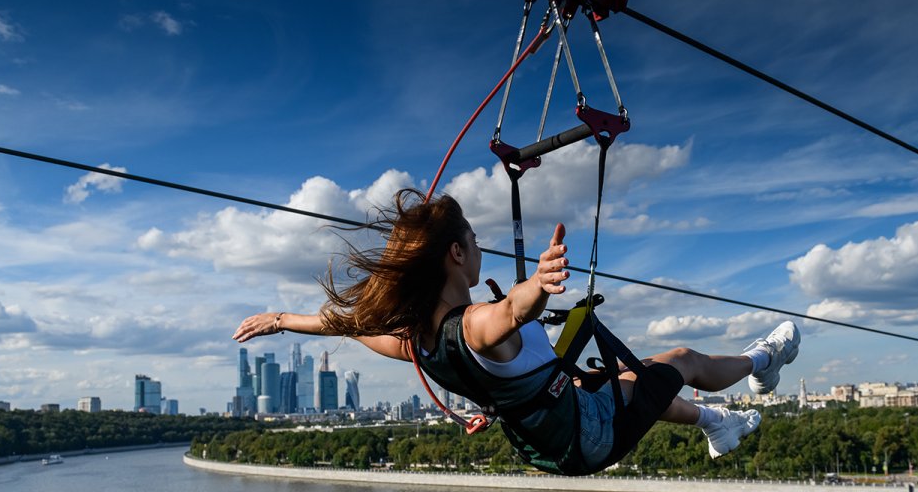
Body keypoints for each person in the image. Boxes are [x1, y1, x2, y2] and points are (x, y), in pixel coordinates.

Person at [233, 189, 800, 476]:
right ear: (457, 254)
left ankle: (718, 424)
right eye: (475, 240)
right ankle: (764, 361)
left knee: (635, 384)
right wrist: (540, 283)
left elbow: (352, 324)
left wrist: (286, 321)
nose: (481, 247)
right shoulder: (474, 325)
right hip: (584, 434)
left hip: (551, 437)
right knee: (684, 359)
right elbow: (506, 317)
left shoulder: (418, 341)